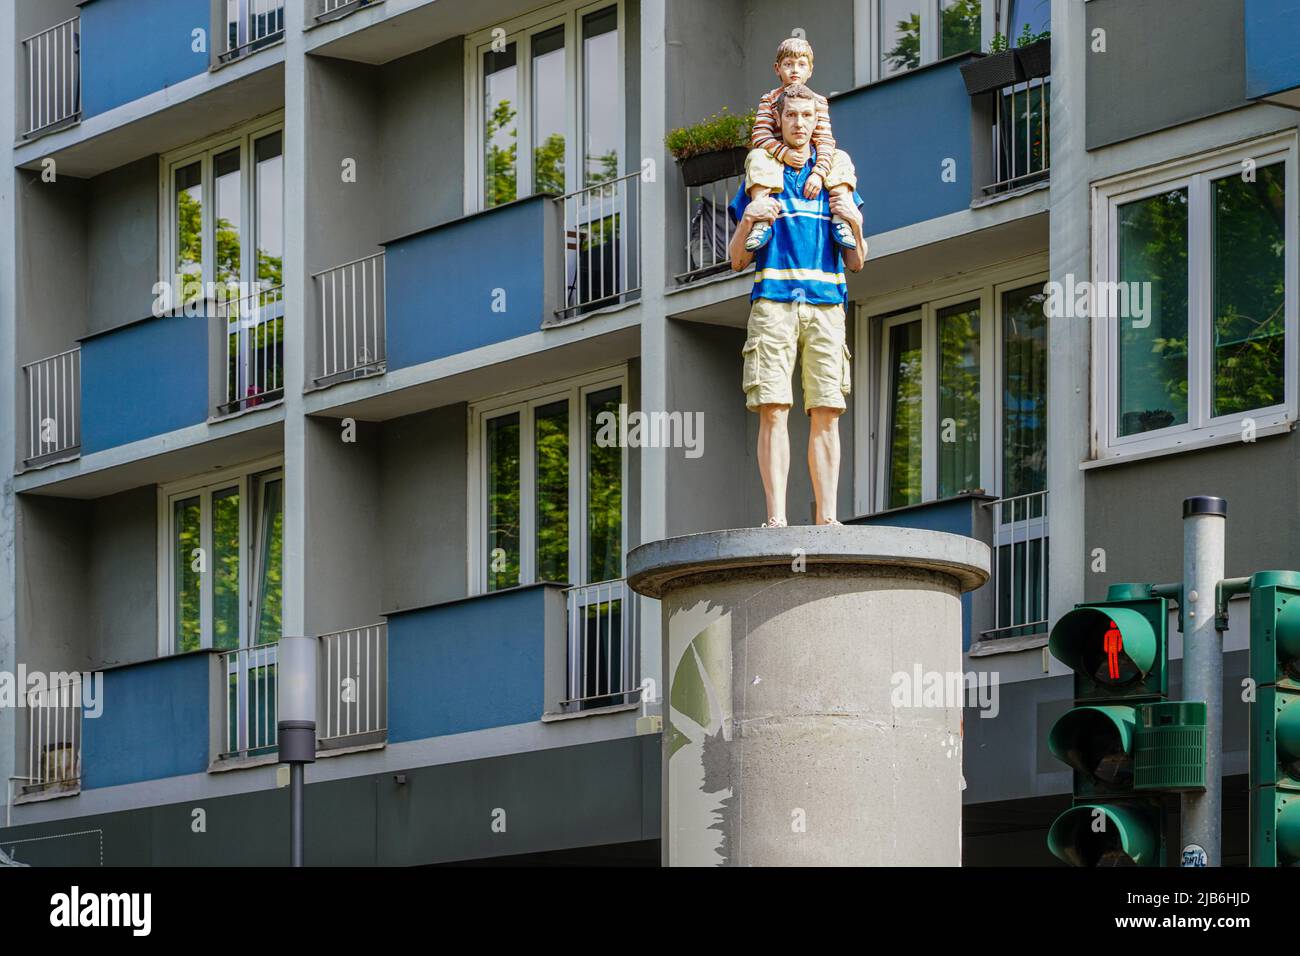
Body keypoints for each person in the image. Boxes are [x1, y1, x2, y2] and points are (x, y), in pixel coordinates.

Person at [728, 82, 867, 528]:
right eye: (792, 116)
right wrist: (748, 220)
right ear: (780, 119)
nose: (799, 124)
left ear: (817, 121)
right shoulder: (763, 173)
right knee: (774, 408)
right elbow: (736, 260)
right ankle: (777, 519)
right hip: (773, 299)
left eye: (807, 117)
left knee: (827, 411)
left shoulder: (833, 176)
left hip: (827, 302)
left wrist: (857, 227)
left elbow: (857, 261)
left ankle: (827, 519)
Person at [744, 37, 858, 252]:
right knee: (757, 157)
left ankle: (841, 217)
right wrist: (783, 152)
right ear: (778, 69)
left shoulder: (818, 101)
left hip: (810, 159)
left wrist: (818, 172)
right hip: (776, 160)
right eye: (788, 64)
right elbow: (760, 136)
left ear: (810, 70)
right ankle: (761, 216)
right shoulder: (769, 100)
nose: (795, 70)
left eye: (801, 64)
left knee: (840, 157)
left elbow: (824, 140)